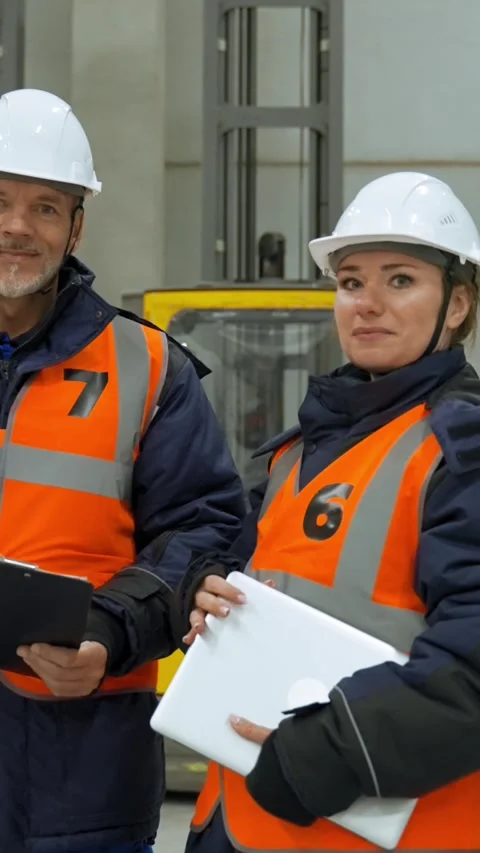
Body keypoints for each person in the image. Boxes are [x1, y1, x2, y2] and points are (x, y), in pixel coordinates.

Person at [179, 171, 480, 852]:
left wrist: (328, 751)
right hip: (241, 817)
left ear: (456, 304)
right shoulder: (301, 449)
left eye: (399, 280)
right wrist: (207, 589)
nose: (367, 304)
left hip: (365, 824)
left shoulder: (461, 448)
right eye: (350, 282)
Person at [0, 88, 245, 853]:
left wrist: (108, 633)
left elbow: (206, 532)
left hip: (83, 758)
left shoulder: (147, 367)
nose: (17, 226)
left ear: (77, 224)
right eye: (0, 200)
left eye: (46, 207)